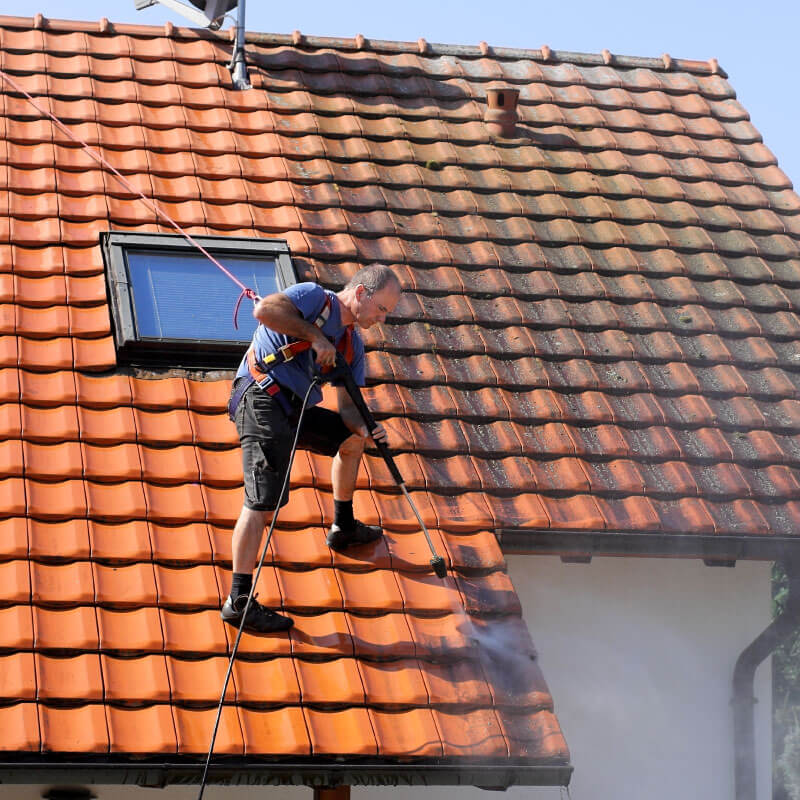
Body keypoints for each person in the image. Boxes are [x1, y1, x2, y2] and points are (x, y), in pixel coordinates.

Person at [222, 264, 402, 634]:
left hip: (296, 410)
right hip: (262, 397)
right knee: (263, 502)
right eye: (381, 309)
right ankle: (238, 602)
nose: (381, 319)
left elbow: (349, 408)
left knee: (352, 440)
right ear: (362, 293)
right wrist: (317, 339)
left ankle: (343, 524)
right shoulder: (314, 297)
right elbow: (265, 311)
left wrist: (367, 427)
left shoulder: (353, 344)